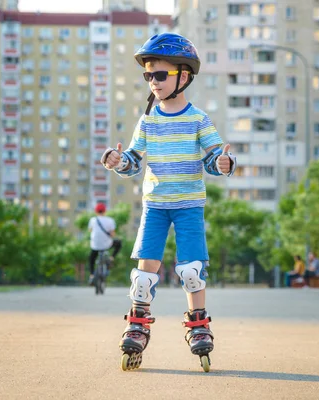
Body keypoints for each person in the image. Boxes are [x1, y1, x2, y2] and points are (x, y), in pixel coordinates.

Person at [100, 32, 236, 370]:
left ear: (183, 76)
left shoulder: (197, 119)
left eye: (159, 74)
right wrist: (118, 162)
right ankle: (137, 324)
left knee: (192, 270)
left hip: (189, 204)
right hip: (155, 206)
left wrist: (223, 164)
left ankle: (199, 325)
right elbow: (133, 160)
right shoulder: (148, 120)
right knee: (143, 274)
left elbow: (213, 157)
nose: (153, 81)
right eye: (148, 75)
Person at [87, 203, 122, 285]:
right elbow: (113, 234)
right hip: (107, 244)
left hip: (95, 245)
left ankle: (92, 276)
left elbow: (90, 230)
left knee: (91, 259)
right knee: (119, 243)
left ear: (96, 211)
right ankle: (111, 258)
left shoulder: (92, 220)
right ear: (105, 211)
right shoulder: (110, 220)